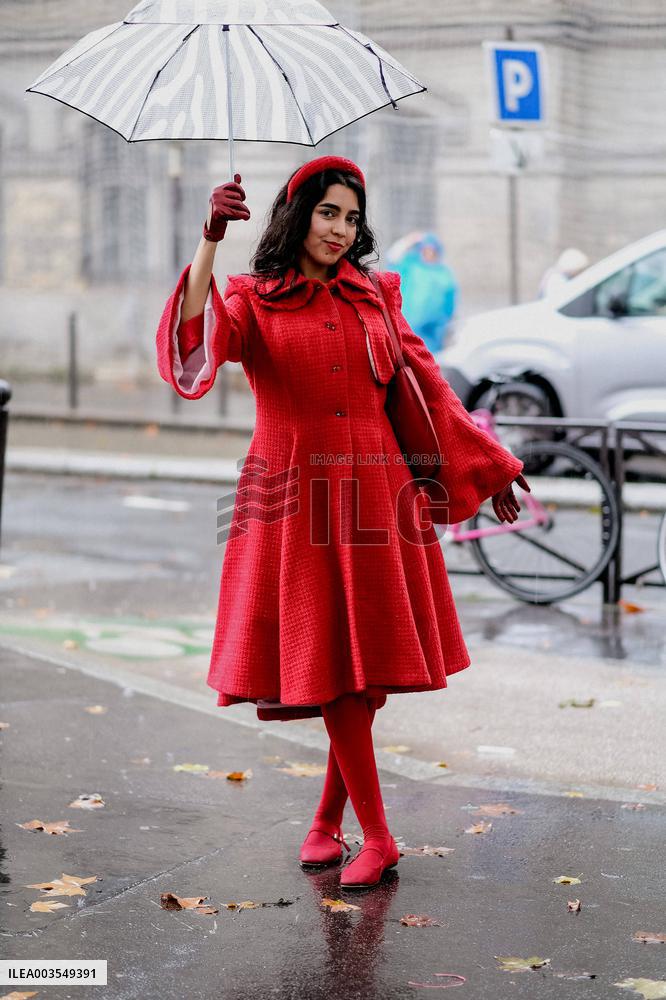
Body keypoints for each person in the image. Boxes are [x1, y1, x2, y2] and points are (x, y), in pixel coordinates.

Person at [155, 155, 528, 890]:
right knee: (332, 667)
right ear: (299, 216)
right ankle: (379, 837)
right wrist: (209, 238)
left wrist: (492, 465)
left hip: (378, 492)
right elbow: (196, 345)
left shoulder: (376, 295)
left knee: (363, 672)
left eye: (352, 218)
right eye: (328, 212)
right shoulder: (253, 298)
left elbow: (428, 385)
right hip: (293, 495)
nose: (340, 229)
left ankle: (328, 823)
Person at [387, 232, 458, 353]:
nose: (429, 253)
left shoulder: (444, 272)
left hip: (434, 331)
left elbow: (450, 300)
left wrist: (447, 323)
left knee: (430, 358)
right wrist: (409, 241)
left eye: (432, 250)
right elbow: (392, 257)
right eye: (425, 250)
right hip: (409, 326)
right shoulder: (410, 265)